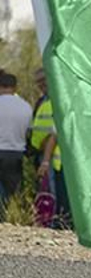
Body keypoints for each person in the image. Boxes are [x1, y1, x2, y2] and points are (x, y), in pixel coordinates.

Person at [28, 67, 69, 229]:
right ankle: (51, 221)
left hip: (53, 155)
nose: (41, 85)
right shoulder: (43, 101)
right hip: (44, 153)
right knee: (48, 191)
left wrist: (45, 160)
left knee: (54, 192)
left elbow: (54, 133)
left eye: (44, 81)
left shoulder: (57, 100)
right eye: (38, 82)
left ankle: (57, 223)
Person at [0, 70, 32, 211]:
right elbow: (29, 131)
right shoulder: (26, 106)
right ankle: (11, 217)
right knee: (12, 192)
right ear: (15, 87)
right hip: (16, 153)